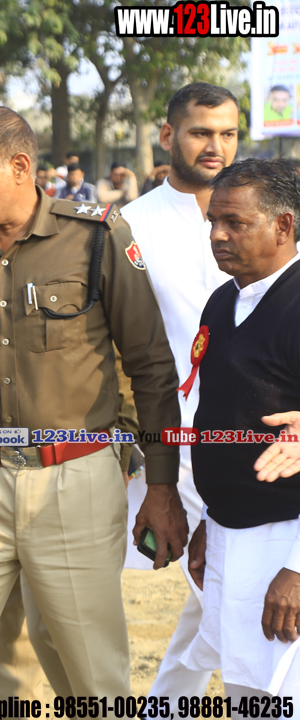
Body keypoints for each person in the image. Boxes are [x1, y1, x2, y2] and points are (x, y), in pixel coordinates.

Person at [0, 106, 184, 710]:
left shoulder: (96, 236)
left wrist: (161, 486)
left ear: (20, 166)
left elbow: (151, 367)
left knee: (89, 672)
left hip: (74, 480)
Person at [120, 81, 240, 704]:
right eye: (201, 133)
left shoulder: (264, 214)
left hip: (260, 427)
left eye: (228, 133)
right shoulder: (127, 226)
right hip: (173, 433)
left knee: (218, 589)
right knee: (223, 588)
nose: (216, 146)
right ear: (168, 136)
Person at [180, 158, 300, 697]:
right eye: (213, 221)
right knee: (246, 691)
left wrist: (297, 568)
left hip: (284, 538)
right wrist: (214, 519)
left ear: (283, 226)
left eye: (235, 223)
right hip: (233, 535)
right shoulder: (224, 299)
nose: (218, 235)